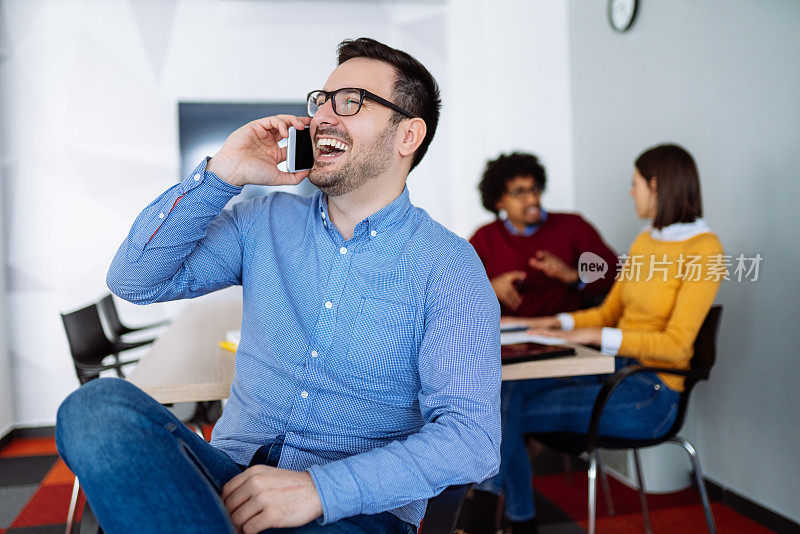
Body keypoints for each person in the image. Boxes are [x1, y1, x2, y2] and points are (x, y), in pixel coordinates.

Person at [56, 38, 501, 534]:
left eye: (349, 101)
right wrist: (223, 174)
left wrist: (317, 490)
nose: (323, 118)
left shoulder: (449, 266)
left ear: (407, 135)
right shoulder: (262, 221)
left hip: (353, 513)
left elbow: (472, 439)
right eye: (321, 101)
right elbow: (134, 280)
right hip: (229, 476)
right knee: (93, 409)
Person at [468, 144, 724, 534]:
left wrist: (596, 332)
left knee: (501, 414)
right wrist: (552, 323)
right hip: (611, 371)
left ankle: (499, 516)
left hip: (650, 391)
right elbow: (607, 312)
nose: (630, 192)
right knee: (504, 395)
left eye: (634, 183)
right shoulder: (646, 241)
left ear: (654, 185)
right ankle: (515, 520)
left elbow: (675, 346)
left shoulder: (705, 250)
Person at [469, 152, 617, 317]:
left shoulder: (573, 225)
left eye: (535, 189)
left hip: (563, 335)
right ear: (498, 201)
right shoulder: (484, 237)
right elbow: (454, 289)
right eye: (519, 192)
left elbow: (614, 272)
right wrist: (490, 288)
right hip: (506, 338)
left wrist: (574, 276)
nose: (533, 199)